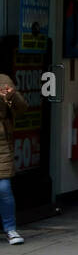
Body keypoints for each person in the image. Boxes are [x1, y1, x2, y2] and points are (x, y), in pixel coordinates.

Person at [0, 73, 29, 244]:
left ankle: (10, 229)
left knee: (3, 188)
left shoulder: (3, 80)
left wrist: (11, 96)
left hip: (1, 143)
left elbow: (21, 109)